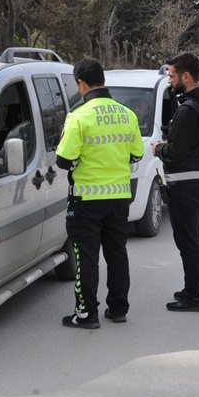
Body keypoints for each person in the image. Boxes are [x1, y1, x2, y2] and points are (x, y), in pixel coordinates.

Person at [56, 58, 144, 329]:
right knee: (117, 253)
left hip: (86, 200)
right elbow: (137, 154)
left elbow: (63, 159)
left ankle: (86, 314)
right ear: (102, 80)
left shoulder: (79, 117)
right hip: (118, 198)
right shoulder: (126, 114)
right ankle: (118, 309)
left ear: (81, 84)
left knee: (86, 257)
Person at [152, 52, 199, 312]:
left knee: (188, 243)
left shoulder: (188, 109)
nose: (169, 80)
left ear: (186, 76)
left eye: (171, 75)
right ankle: (192, 289)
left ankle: (194, 297)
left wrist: (159, 149)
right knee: (195, 241)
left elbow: (176, 152)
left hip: (186, 184)